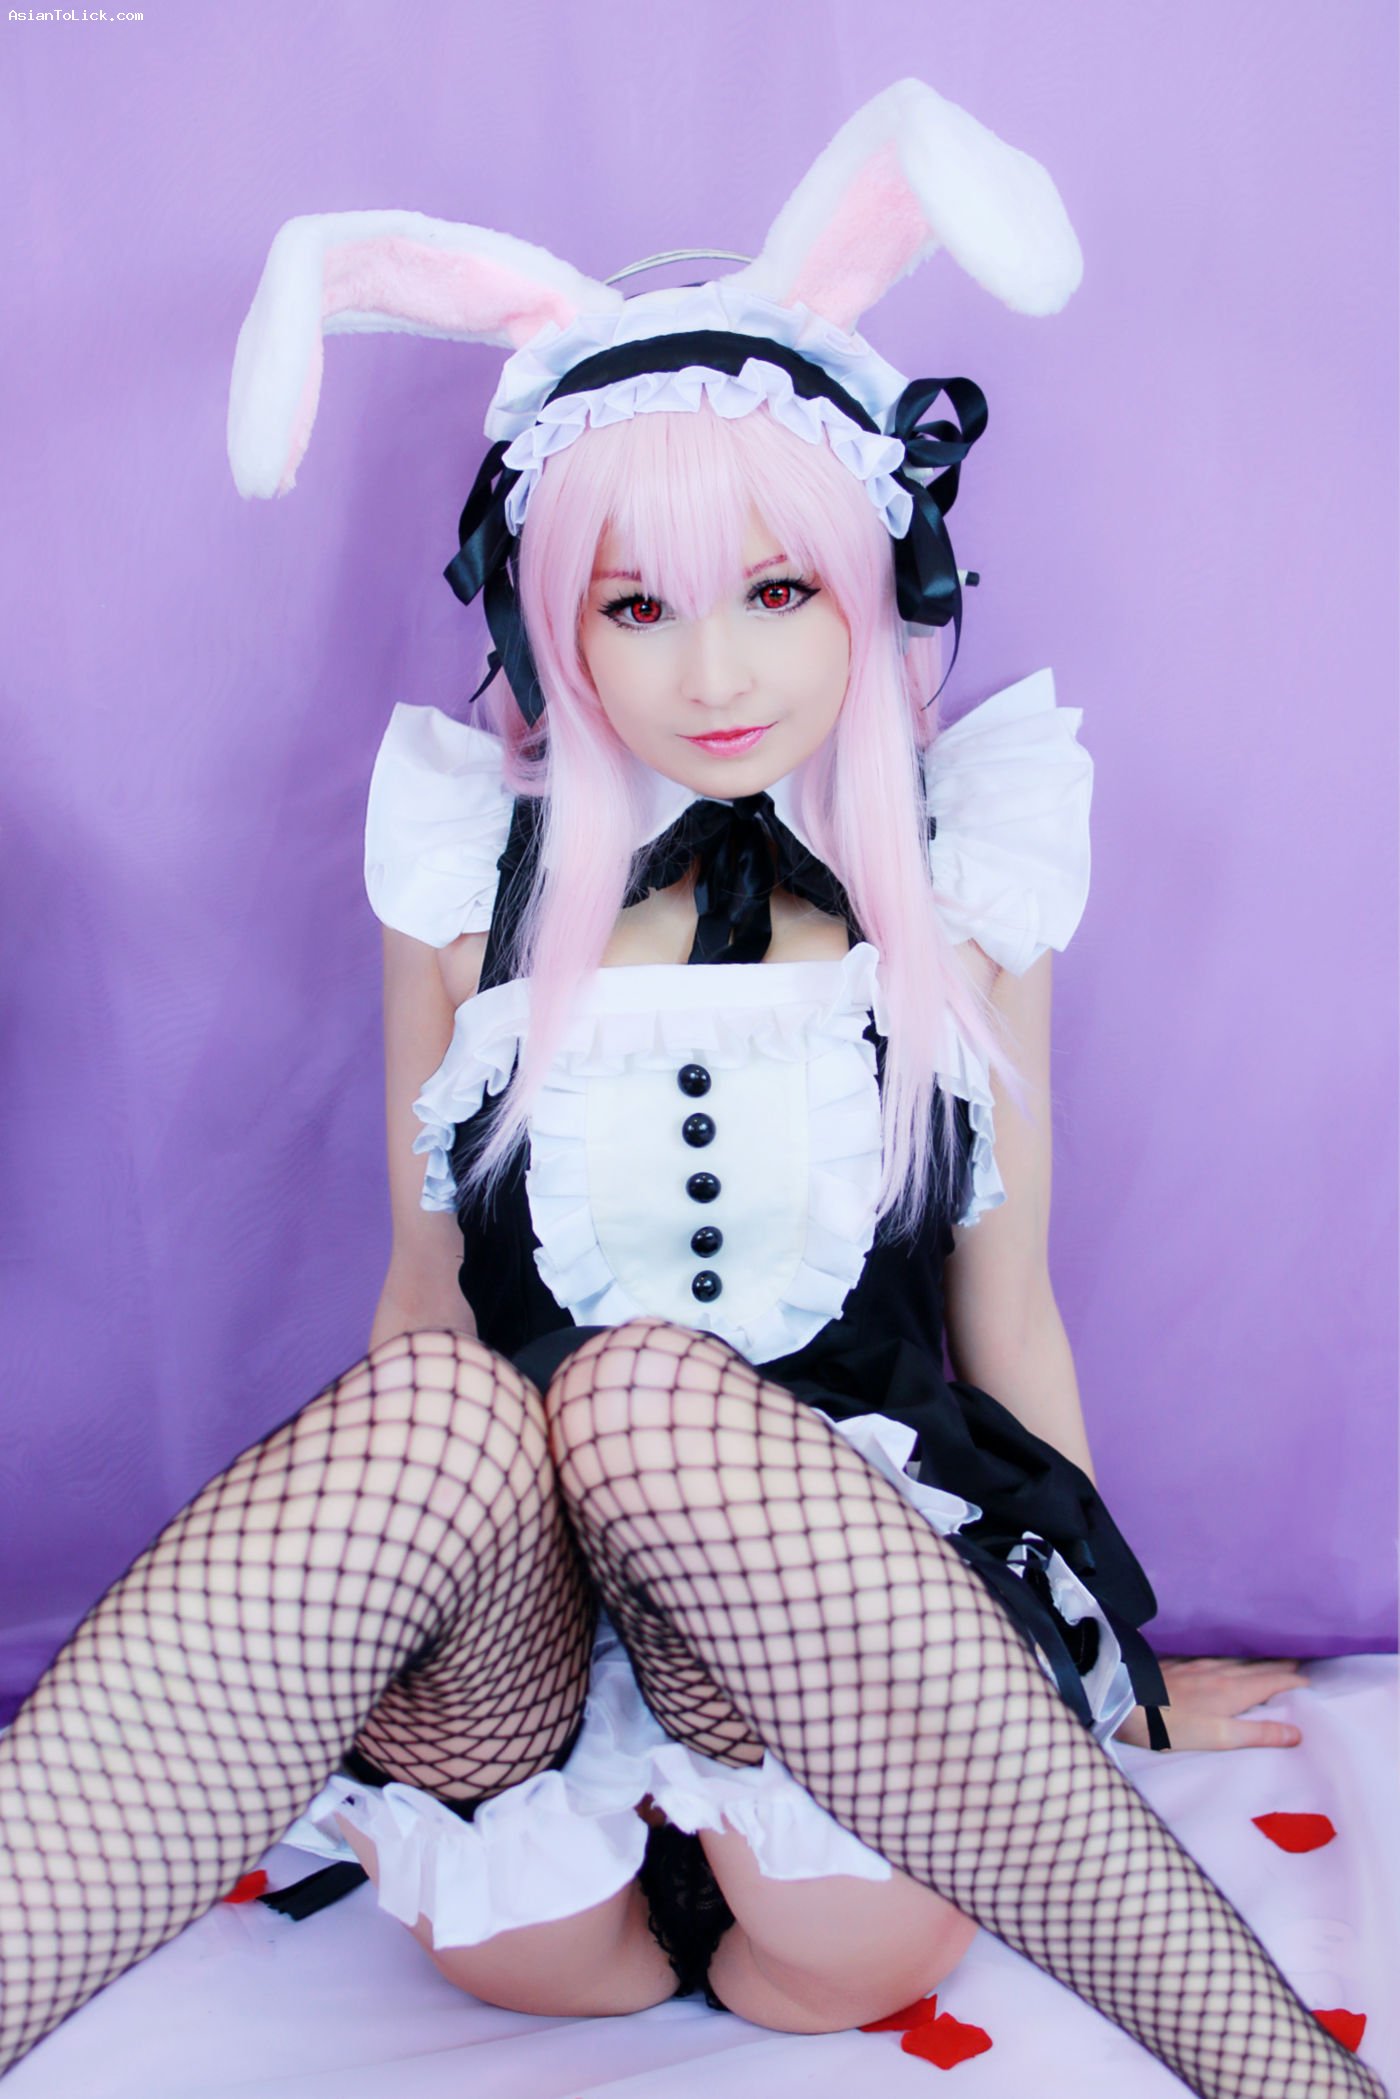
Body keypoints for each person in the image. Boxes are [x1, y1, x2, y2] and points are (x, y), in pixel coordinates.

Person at [0, 80, 1385, 2099]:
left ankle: (1277, 2074)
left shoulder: (966, 872)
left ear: (872, 580)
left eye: (777, 589)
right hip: (529, 1749)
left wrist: (1112, 1678)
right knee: (445, 1411)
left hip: (844, 1715)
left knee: (650, 1400)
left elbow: (1009, 1320)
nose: (712, 673)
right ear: (549, 619)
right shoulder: (465, 869)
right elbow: (424, 1295)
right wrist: (370, 1591)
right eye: (635, 606)